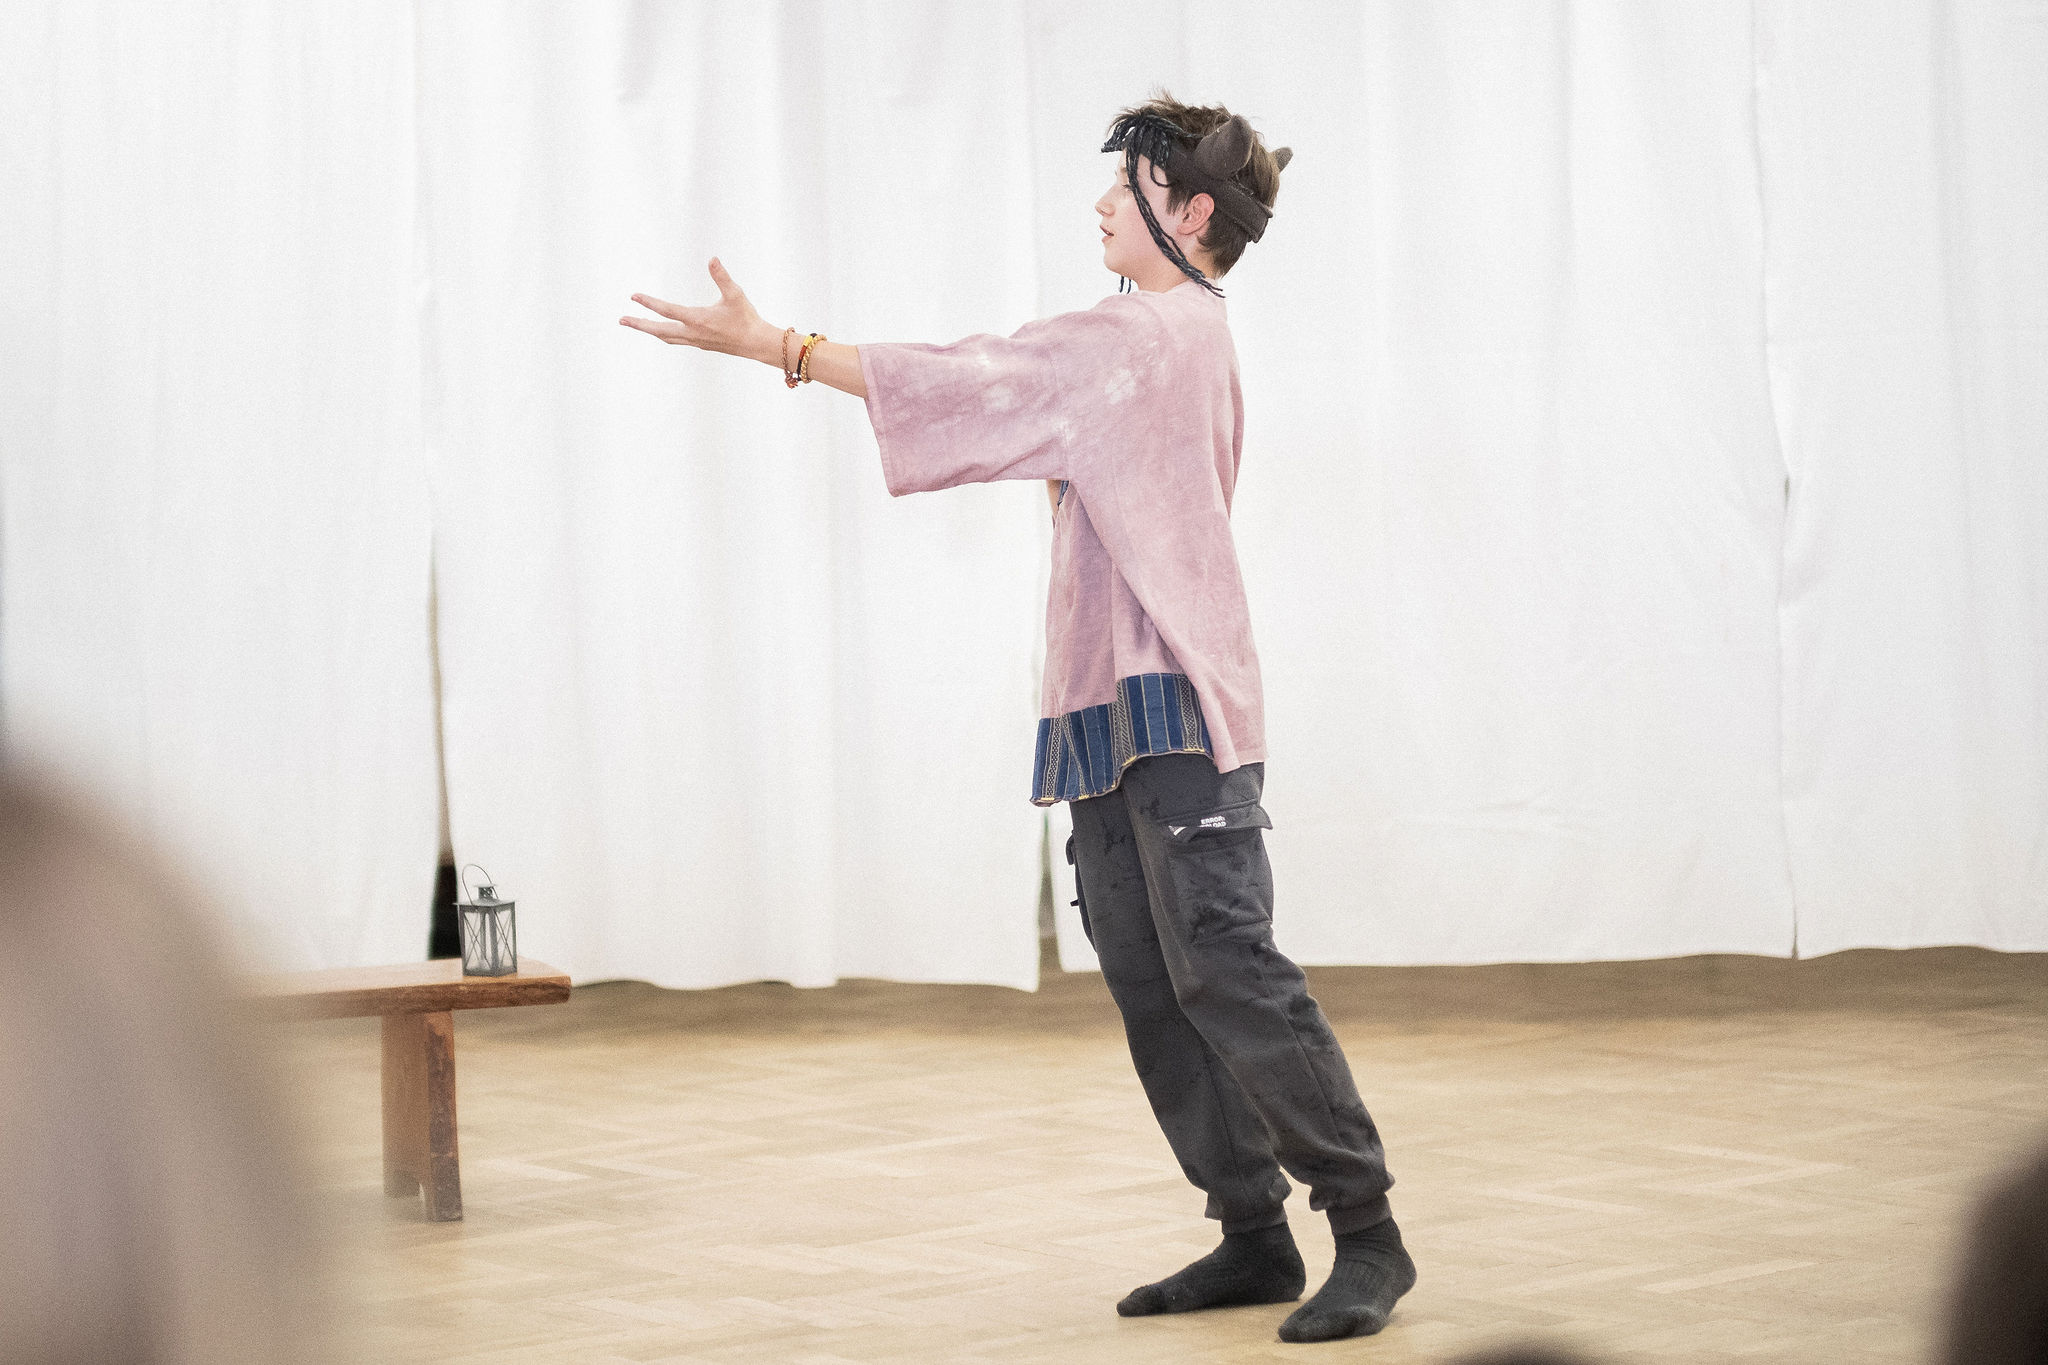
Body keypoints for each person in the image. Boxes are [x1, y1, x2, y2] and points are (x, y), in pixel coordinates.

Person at [622, 90, 1415, 1345]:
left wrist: (776, 344)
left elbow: (969, 376)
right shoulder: (1161, 338)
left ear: (1186, 214)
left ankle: (1366, 1236)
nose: (1101, 204)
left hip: (1172, 701)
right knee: (1153, 981)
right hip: (1109, 703)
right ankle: (1251, 1234)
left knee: (1228, 972)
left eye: (1126, 186)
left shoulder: (1144, 336)